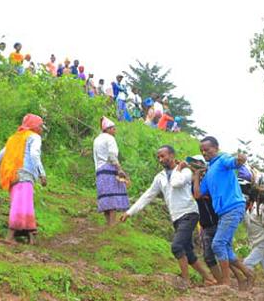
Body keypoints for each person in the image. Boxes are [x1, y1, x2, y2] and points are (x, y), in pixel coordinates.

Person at [121, 145, 215, 290]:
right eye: (158, 157)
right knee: (188, 252)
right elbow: (148, 195)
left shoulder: (185, 171)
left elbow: (176, 183)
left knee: (177, 246)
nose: (160, 159)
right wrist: (130, 212)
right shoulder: (160, 177)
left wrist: (178, 168)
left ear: (172, 155)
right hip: (176, 216)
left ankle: (185, 281)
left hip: (189, 213)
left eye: (163, 156)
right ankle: (210, 279)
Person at [199, 136, 253, 288]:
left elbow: (233, 162)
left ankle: (227, 282)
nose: (204, 153)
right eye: (202, 151)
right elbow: (199, 193)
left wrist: (239, 160)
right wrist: (197, 174)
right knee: (226, 248)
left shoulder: (222, 159)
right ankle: (248, 275)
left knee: (217, 244)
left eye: (207, 149)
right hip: (223, 212)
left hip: (233, 207)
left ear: (216, 148)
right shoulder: (209, 171)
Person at [0, 114, 47, 244]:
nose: (41, 129)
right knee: (21, 204)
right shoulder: (34, 137)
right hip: (25, 174)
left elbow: (0, 156)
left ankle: (31, 235)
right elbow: (34, 154)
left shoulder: (14, 138)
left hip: (12, 176)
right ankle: (10, 236)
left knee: (24, 203)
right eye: (40, 126)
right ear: (34, 126)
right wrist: (42, 174)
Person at [93, 116, 130, 225]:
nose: (115, 131)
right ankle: (112, 224)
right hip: (109, 169)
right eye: (113, 128)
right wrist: (119, 169)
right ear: (108, 129)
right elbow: (112, 156)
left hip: (100, 170)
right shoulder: (110, 139)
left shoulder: (97, 139)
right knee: (113, 197)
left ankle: (108, 223)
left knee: (105, 197)